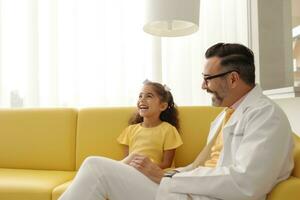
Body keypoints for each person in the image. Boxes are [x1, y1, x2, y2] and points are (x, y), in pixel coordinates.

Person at [59, 43, 294, 200]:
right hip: (188, 191)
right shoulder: (226, 116)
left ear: (233, 79)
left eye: (207, 79)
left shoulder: (266, 116)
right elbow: (199, 165)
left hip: (203, 197)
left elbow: (247, 183)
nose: (203, 86)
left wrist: (167, 176)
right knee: (103, 169)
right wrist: (161, 173)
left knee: (95, 168)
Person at [59, 80, 183, 200]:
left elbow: (167, 164)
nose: (142, 100)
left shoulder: (168, 130)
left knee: (92, 163)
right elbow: (127, 160)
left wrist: (146, 166)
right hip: (132, 173)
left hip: (153, 178)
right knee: (106, 162)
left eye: (149, 96)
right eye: (140, 96)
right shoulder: (131, 130)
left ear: (163, 106)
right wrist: (133, 164)